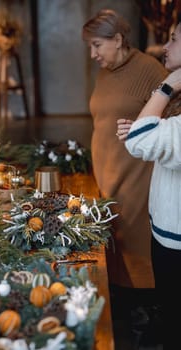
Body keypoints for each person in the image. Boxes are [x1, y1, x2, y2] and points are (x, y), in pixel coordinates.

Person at [82, 8, 167, 314]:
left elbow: (174, 118)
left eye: (96, 45)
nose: (92, 54)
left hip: (135, 178)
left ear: (117, 39)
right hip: (106, 173)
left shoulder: (149, 69)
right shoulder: (106, 73)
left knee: (135, 243)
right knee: (113, 241)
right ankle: (124, 310)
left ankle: (147, 315)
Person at [117, 22, 181, 349]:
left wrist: (168, 84)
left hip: (176, 243)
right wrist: (145, 130)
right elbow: (149, 137)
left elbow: (139, 142)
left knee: (174, 325)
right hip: (167, 231)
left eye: (173, 39)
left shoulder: (170, 84)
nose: (164, 47)